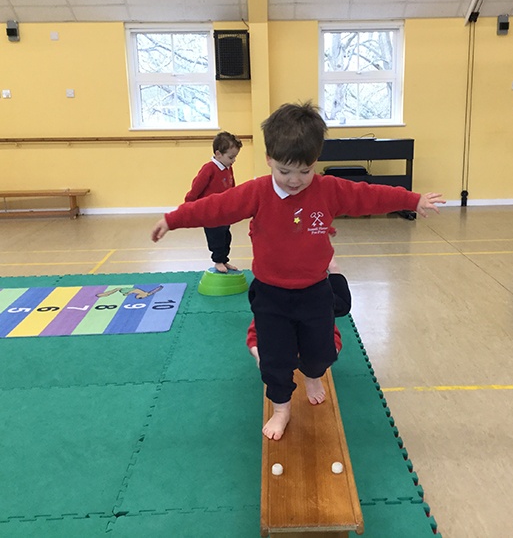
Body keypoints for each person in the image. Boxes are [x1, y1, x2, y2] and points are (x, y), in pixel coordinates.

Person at [151, 101, 445, 440]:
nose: (294, 180)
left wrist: (412, 200)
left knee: (320, 355)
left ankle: (313, 375)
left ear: (315, 161)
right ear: (269, 159)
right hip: (271, 294)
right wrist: (173, 219)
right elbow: (215, 208)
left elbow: (369, 196)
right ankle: (281, 409)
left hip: (314, 291)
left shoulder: (329, 189)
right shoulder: (257, 192)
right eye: (285, 171)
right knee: (275, 361)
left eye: (304, 172)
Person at [246, 257, 350, 367]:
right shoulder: (271, 307)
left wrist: (325, 357)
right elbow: (254, 336)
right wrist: (260, 357)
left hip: (313, 306)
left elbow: (332, 335)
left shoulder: (317, 306)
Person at [185, 131, 242, 273]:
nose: (234, 160)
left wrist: (234, 199)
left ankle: (224, 259)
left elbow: (231, 185)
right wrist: (189, 204)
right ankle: (218, 261)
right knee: (216, 237)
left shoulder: (228, 167)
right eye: (231, 157)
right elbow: (196, 187)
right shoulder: (209, 168)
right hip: (210, 212)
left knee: (226, 236)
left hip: (224, 211)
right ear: (218, 154)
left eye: (235, 157)